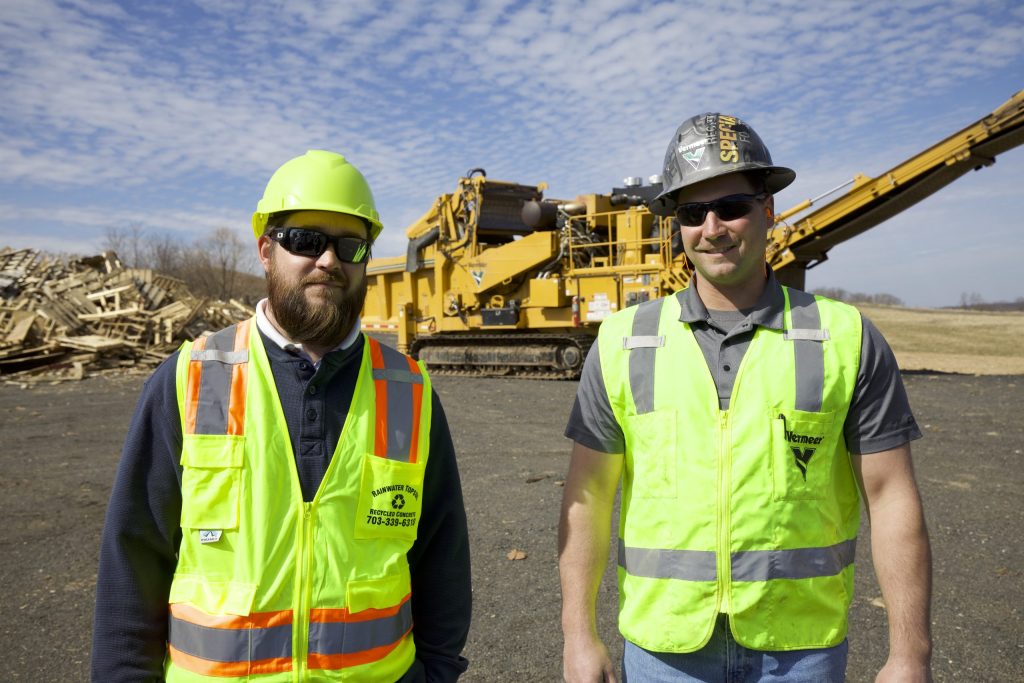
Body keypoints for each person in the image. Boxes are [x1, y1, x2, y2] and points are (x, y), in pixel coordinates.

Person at [558, 114, 931, 682]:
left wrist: (910, 655)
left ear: (769, 210)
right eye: (690, 213)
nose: (712, 228)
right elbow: (586, 500)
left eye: (731, 206)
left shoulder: (846, 338)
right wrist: (578, 636)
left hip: (801, 651)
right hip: (664, 653)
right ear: (676, 226)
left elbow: (892, 497)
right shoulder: (623, 341)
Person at [92, 150, 472, 682]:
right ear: (266, 250)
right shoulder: (192, 377)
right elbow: (134, 558)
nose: (328, 260)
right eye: (305, 240)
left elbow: (442, 555)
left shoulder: (409, 390)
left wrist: (435, 673)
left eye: (349, 245)